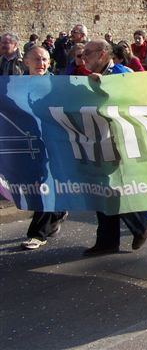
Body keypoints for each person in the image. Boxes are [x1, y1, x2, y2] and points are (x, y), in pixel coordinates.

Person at [80, 39, 147, 256]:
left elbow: (134, 99)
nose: (84, 58)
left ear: (102, 54)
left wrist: (106, 86)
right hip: (100, 139)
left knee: (117, 188)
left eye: (88, 53)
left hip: (121, 142)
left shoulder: (121, 72)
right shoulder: (91, 77)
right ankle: (107, 241)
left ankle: (139, 224)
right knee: (104, 189)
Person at [20, 46, 69, 250]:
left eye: (45, 60)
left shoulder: (55, 85)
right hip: (27, 144)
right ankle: (58, 212)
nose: (42, 63)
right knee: (31, 186)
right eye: (37, 59)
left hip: (52, 143)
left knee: (46, 186)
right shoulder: (15, 85)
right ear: (26, 62)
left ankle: (37, 234)